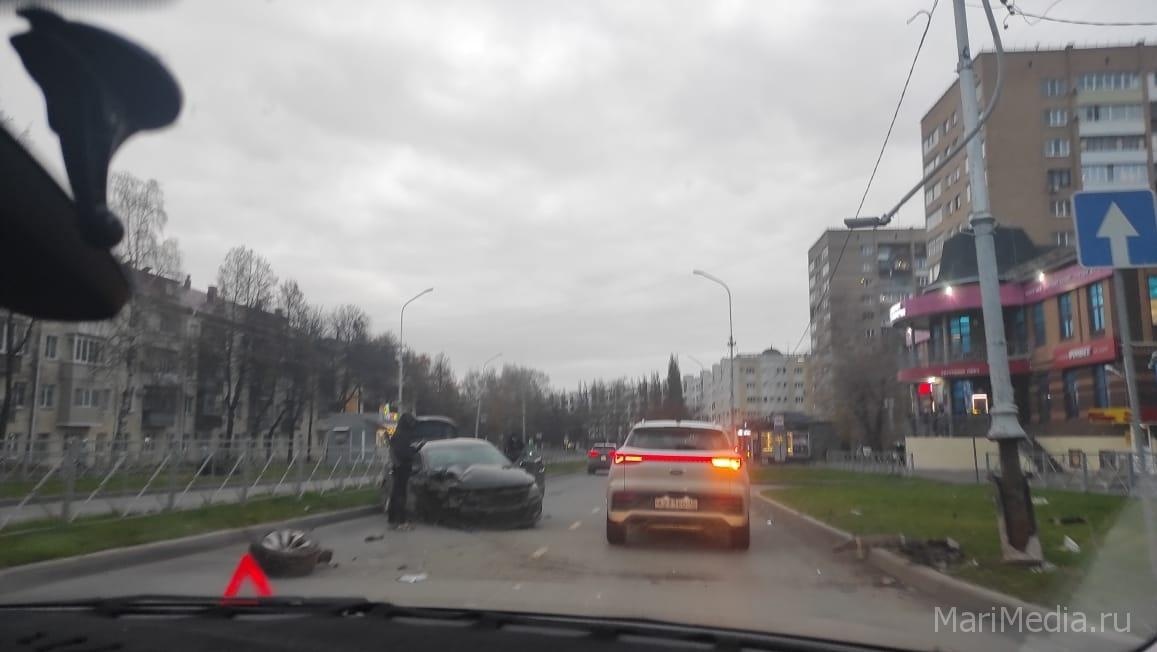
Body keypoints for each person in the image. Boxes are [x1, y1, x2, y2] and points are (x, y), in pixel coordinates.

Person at [387, 412, 419, 530]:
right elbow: (404, 452)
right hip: (403, 467)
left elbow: (395, 450)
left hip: (398, 467)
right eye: (411, 423)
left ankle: (393, 519)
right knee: (401, 494)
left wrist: (412, 450)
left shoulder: (397, 434)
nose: (412, 425)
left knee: (396, 493)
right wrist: (413, 452)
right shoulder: (403, 435)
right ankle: (401, 521)